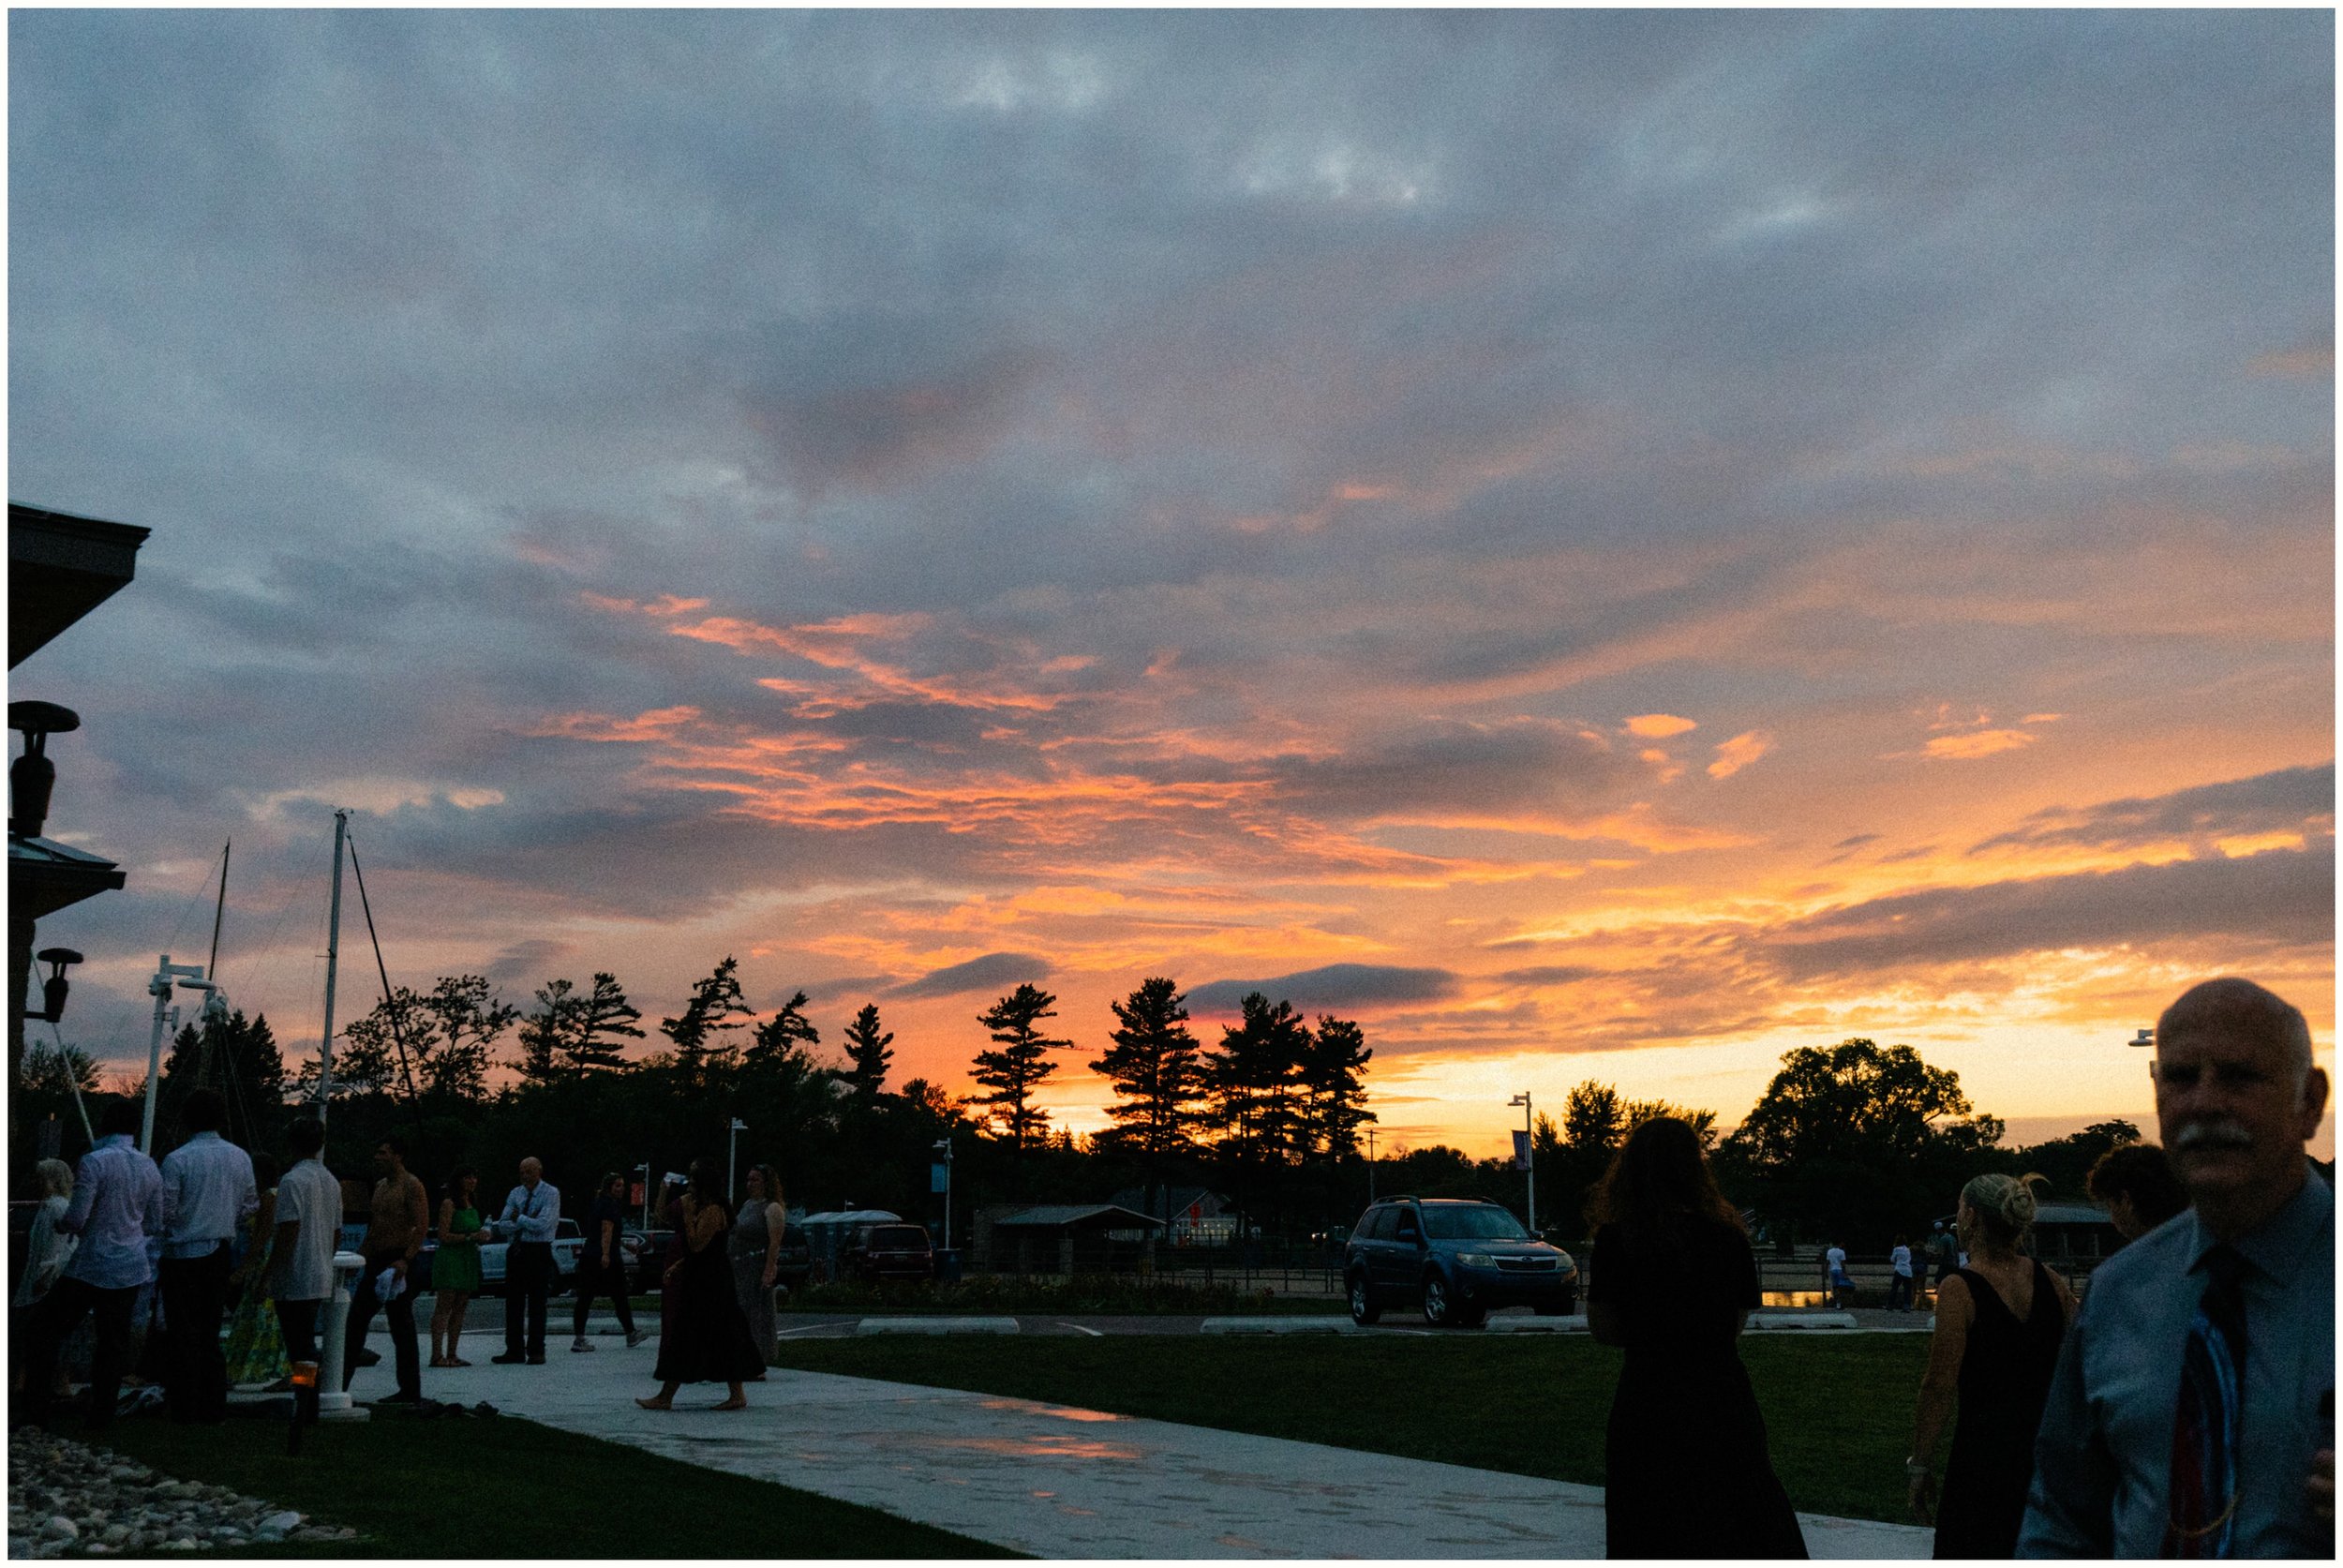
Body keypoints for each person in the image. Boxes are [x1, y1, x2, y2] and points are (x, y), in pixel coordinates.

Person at [2020, 978, 2335, 1557]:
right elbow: (2062, 1516)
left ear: (2311, 1102)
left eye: (2241, 1076)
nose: (2206, 1102)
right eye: (2182, 1077)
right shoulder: (2118, 1292)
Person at [1587, 1116, 1806, 1559]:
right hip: (1721, 1397)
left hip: (1649, 1399)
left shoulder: (1618, 1239)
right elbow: (1736, 1323)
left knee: (1649, 1522)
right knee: (1733, 1517)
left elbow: (1603, 1328)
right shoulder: (1728, 1238)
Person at [1905, 1173, 2075, 1556]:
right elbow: (2086, 1353)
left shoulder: (1959, 1288)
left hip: (1982, 1460)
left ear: (1971, 1218)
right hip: (2046, 1457)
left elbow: (1938, 1384)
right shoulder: (2050, 1280)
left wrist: (1921, 1464)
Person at [17, 1098, 165, 1432]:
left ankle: (36, 1408)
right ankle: (102, 1413)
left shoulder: (94, 1162)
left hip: (92, 1263)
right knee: (113, 1342)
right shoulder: (149, 1166)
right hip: (129, 1266)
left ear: (104, 1126)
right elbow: (155, 1222)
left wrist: (63, 1226)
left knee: (44, 1330)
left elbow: (77, 1217)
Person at [157, 1088, 259, 1423]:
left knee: (181, 1332)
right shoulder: (240, 1157)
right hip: (219, 1252)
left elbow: (166, 1212)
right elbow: (249, 1207)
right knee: (210, 1332)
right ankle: (213, 1406)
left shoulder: (178, 1159)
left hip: (182, 1253)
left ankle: (183, 1405)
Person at [636, 1157, 762, 1412]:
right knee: (700, 1336)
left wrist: (687, 1214)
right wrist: (678, 1265)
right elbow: (694, 1251)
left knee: (710, 1335)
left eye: (693, 1181)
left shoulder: (714, 1211)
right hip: (702, 1276)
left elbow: (697, 1245)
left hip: (713, 1283)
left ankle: (673, 1396)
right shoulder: (699, 1208)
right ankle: (668, 1395)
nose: (689, 1185)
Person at [342, 1135, 428, 1403]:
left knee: (401, 1325)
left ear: (398, 1156)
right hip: (377, 1259)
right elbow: (376, 1227)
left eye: (383, 1153)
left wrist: (406, 1259)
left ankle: (410, 1391)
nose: (377, 1157)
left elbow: (421, 1225)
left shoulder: (412, 1185)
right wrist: (360, 1258)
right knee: (355, 1321)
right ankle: (338, 1383)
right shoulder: (380, 1186)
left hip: (398, 1261)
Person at [268, 1116, 342, 1372]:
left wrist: (271, 1272)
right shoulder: (331, 1181)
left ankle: (306, 1398)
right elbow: (336, 1231)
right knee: (306, 1342)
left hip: (295, 1277)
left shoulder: (292, 1181)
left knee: (299, 1347)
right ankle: (307, 1395)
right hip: (320, 1273)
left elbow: (289, 1230)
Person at [12, 1159, 79, 1398]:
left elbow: (60, 1247)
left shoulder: (55, 1208)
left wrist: (46, 1275)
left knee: (36, 1331)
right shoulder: (52, 1207)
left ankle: (37, 1380)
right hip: (41, 1275)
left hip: (44, 1278)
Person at [222, 1154, 290, 1388]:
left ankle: (249, 1366)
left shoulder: (269, 1198)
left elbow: (261, 1238)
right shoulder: (279, 1195)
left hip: (261, 1264)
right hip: (268, 1263)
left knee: (255, 1315)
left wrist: (244, 1268)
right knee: (263, 1318)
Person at [494, 1157, 560, 1365]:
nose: (525, 1176)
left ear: (539, 1171)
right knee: (513, 1302)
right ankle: (514, 1349)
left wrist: (520, 1218)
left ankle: (536, 1350)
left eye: (529, 1171)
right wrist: (525, 1220)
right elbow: (503, 1224)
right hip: (517, 1249)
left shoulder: (551, 1193)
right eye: (522, 1171)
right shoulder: (516, 1193)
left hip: (539, 1250)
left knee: (537, 1302)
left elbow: (543, 1224)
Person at [571, 1172, 644, 1353]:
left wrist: (626, 1245)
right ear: (609, 1187)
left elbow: (608, 1234)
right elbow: (606, 1230)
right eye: (617, 1185)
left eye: (622, 1185)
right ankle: (631, 1333)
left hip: (589, 1254)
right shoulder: (609, 1206)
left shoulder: (599, 1203)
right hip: (605, 1257)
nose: (621, 1189)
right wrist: (605, 1254)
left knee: (586, 1297)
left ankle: (579, 1338)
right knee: (619, 1296)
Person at [728, 1164, 784, 1373]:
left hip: (756, 1266)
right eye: (749, 1179)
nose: (750, 1184)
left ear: (766, 1183)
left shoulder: (772, 1208)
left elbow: (774, 1242)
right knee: (740, 1314)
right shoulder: (747, 1205)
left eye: (755, 1180)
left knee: (757, 1315)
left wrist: (769, 1270)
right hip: (738, 1266)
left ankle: (758, 1361)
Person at [431, 1166, 489, 1367]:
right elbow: (443, 1235)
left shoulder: (472, 1203)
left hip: (468, 1259)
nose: (472, 1181)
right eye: (468, 1177)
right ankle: (437, 1354)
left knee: (461, 1306)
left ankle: (453, 1353)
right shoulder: (449, 1204)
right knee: (444, 1306)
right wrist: (469, 1237)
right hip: (451, 1259)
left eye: (474, 1177)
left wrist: (481, 1236)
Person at [2083, 1141, 2189, 1242]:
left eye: (2110, 1206)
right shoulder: (2196, 1245)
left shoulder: (2138, 1258)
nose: (2112, 1219)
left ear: (2126, 1201)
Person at [1928, 1220, 1958, 1302]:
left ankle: (1943, 1298)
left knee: (1938, 1281)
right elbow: (1956, 1252)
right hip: (1954, 1263)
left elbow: (1941, 1253)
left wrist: (1931, 1253)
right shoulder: (1952, 1238)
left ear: (1938, 1230)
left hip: (1945, 1263)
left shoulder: (1943, 1239)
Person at [1888, 1234, 1916, 1312]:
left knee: (1894, 1288)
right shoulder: (1908, 1249)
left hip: (1899, 1270)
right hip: (1908, 1271)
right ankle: (1906, 1306)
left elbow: (1892, 1259)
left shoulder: (1896, 1249)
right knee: (1907, 1290)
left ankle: (1890, 1305)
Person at [1824, 1240, 1854, 1308]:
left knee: (1834, 1287)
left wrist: (1826, 1272)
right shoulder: (1841, 1252)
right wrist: (1845, 1273)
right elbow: (1842, 1264)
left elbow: (1827, 1262)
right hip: (1839, 1270)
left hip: (1832, 1270)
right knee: (1840, 1287)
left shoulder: (1829, 1251)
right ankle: (1839, 1302)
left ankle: (1835, 1301)